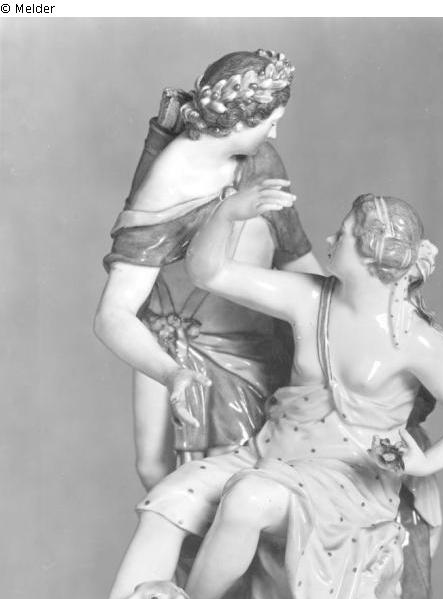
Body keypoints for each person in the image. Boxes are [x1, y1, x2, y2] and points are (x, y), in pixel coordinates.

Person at [35, 182, 443, 599]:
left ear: (373, 257)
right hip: (271, 451)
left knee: (249, 498)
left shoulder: (415, 340)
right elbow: (210, 272)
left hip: (345, 480)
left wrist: (424, 461)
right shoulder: (310, 298)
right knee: (168, 499)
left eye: (345, 235)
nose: (330, 239)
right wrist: (229, 213)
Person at [94, 50, 318, 492]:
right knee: (158, 473)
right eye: (270, 121)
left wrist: (348, 308)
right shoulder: (167, 183)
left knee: (248, 476)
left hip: (257, 345)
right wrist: (170, 373)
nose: (274, 131)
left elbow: (295, 255)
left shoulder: (260, 159)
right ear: (239, 119)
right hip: (174, 350)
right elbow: (111, 316)